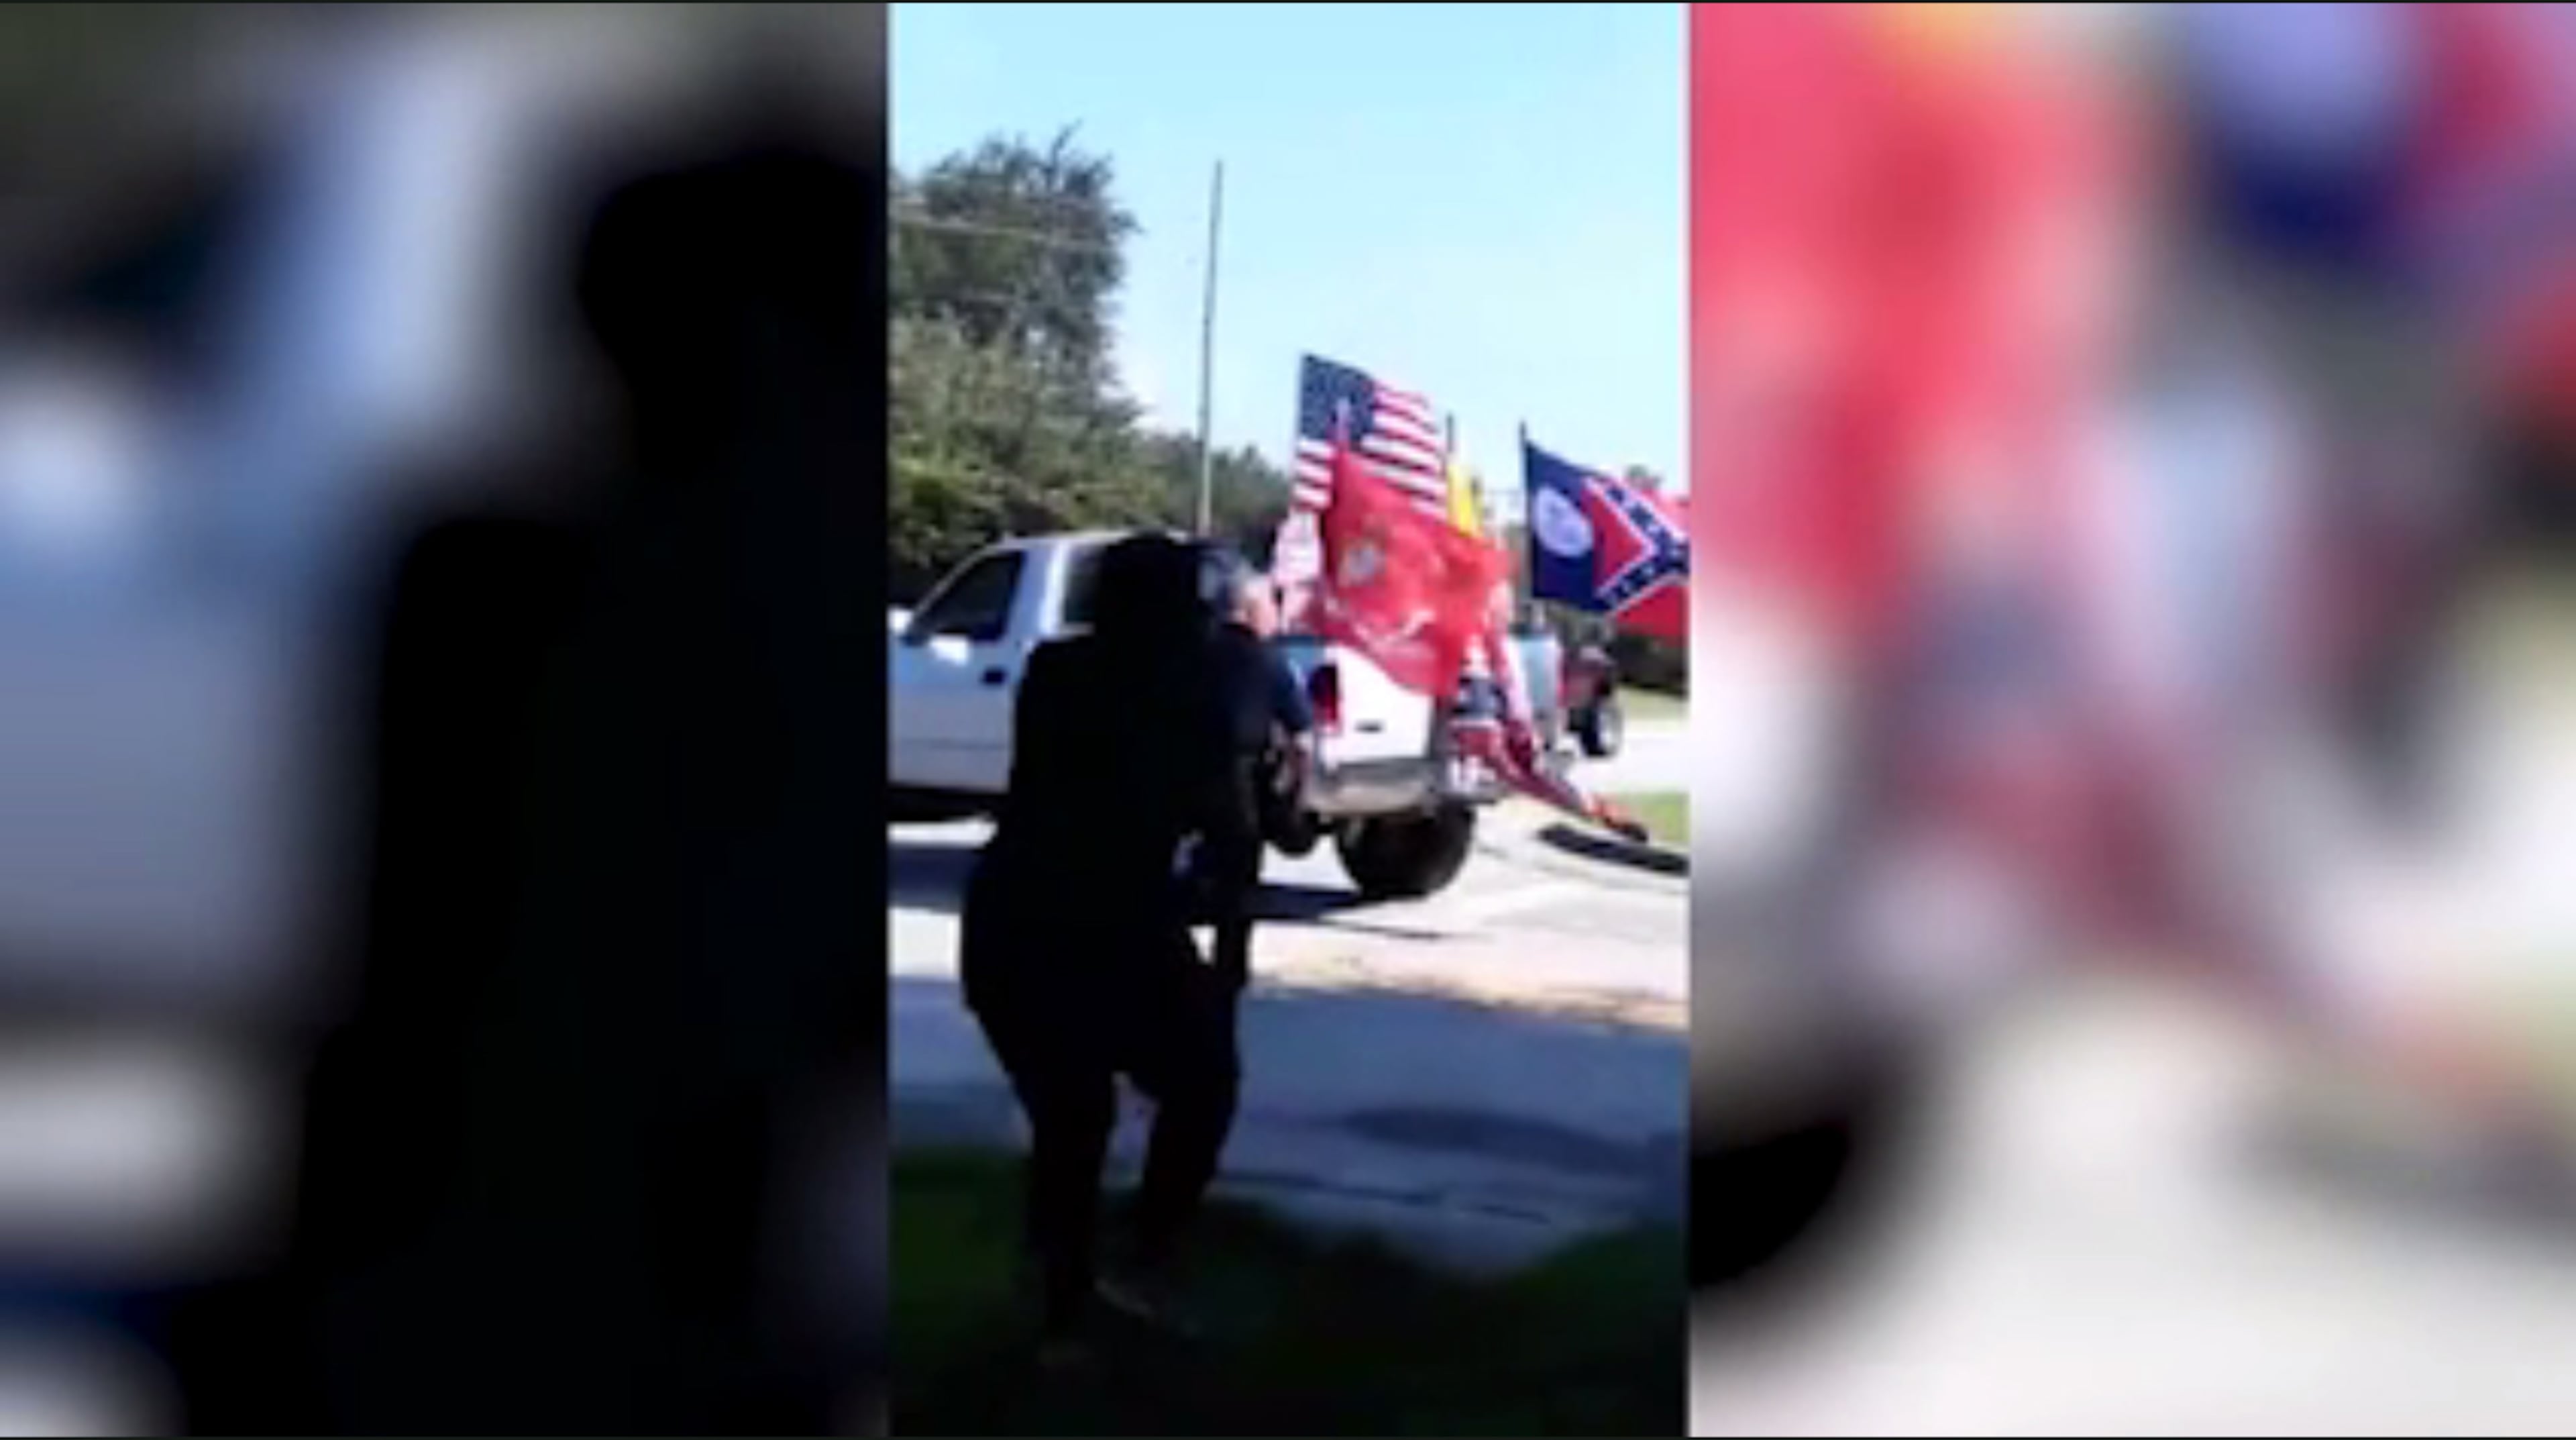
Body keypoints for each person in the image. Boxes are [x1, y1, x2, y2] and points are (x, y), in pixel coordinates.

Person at [959, 532, 1271, 1354]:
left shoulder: (1058, 673)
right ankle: (1136, 1263)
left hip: (1014, 918)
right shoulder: (1194, 694)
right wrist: (1231, 962)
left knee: (1073, 1115)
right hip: (1107, 920)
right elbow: (1232, 834)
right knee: (1198, 1084)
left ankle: (1060, 1290)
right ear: (1186, 612)